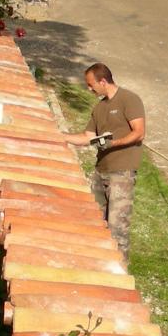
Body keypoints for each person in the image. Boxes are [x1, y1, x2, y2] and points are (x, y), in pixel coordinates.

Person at [61, 62, 145, 258]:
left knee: (117, 228)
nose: (89, 89)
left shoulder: (129, 100)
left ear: (103, 81)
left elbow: (139, 133)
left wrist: (112, 143)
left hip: (122, 173)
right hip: (101, 171)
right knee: (94, 222)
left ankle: (120, 274)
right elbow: (87, 136)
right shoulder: (99, 108)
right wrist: (62, 137)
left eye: (91, 85)